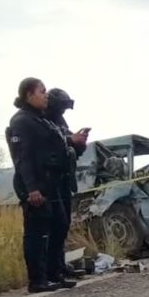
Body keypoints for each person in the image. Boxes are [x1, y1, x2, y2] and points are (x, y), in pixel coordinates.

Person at [5, 78, 74, 293]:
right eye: (42, 91)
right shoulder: (21, 121)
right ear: (29, 94)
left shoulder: (43, 120)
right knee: (37, 233)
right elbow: (22, 158)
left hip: (52, 184)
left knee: (59, 225)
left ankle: (54, 274)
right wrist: (32, 188)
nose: (46, 95)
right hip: (35, 187)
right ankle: (38, 280)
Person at [44, 88, 89, 283]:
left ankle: (60, 265)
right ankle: (52, 270)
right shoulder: (43, 120)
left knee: (63, 225)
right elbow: (49, 145)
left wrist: (79, 143)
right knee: (54, 225)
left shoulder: (60, 121)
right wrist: (71, 140)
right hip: (49, 179)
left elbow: (69, 148)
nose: (63, 111)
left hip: (64, 177)